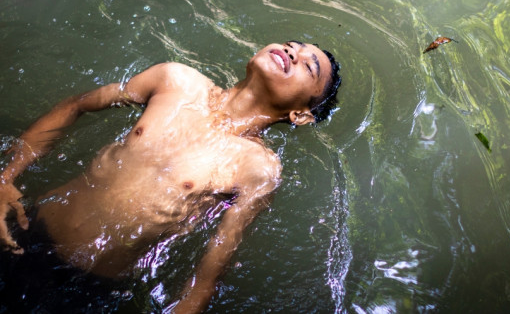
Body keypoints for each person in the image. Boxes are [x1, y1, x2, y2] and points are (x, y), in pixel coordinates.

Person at [0, 41, 341, 312]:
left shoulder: (256, 168)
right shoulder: (175, 80)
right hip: (28, 226)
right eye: (293, 45)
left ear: (301, 115)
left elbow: (209, 273)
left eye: (308, 66)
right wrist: (5, 179)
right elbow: (75, 106)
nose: (294, 53)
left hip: (88, 285)